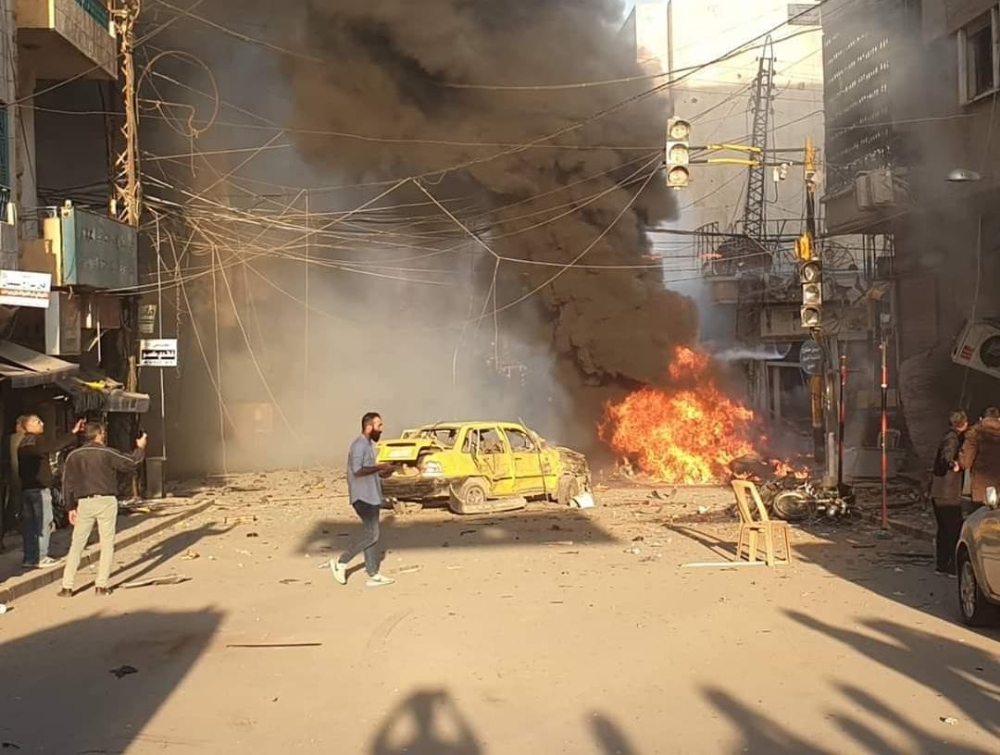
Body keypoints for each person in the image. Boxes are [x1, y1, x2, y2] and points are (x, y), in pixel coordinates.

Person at [58, 422, 146, 597]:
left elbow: (67, 484)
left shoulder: (73, 456)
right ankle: (101, 585)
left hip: (84, 502)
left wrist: (70, 508)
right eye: (103, 433)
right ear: (99, 434)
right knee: (107, 544)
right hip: (106, 501)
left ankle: (67, 586)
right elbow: (131, 462)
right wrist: (140, 448)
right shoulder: (107, 452)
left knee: (77, 545)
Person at [331, 412, 397, 588]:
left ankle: (373, 573)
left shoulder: (368, 445)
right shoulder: (359, 445)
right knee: (373, 535)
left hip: (372, 496)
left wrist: (386, 470)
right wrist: (379, 467)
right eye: (379, 426)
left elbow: (370, 471)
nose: (381, 430)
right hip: (362, 497)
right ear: (369, 427)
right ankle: (342, 562)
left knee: (371, 535)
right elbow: (357, 470)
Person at [18, 415, 85, 568]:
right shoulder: (36, 440)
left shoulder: (23, 442)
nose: (42, 423)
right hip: (39, 490)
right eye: (37, 421)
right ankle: (41, 556)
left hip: (27, 488)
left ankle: (29, 557)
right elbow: (55, 446)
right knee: (43, 523)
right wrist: (73, 433)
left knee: (30, 525)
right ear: (27, 426)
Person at [930, 411, 967, 575]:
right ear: (963, 423)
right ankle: (951, 565)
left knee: (944, 530)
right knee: (953, 530)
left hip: (940, 492)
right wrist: (953, 464)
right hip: (947, 494)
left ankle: (942, 564)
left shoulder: (949, 435)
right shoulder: (952, 439)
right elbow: (946, 456)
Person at [958, 406, 1000, 514]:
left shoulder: (974, 434)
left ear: (981, 419)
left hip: (981, 488)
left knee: (980, 521)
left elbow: (965, 463)